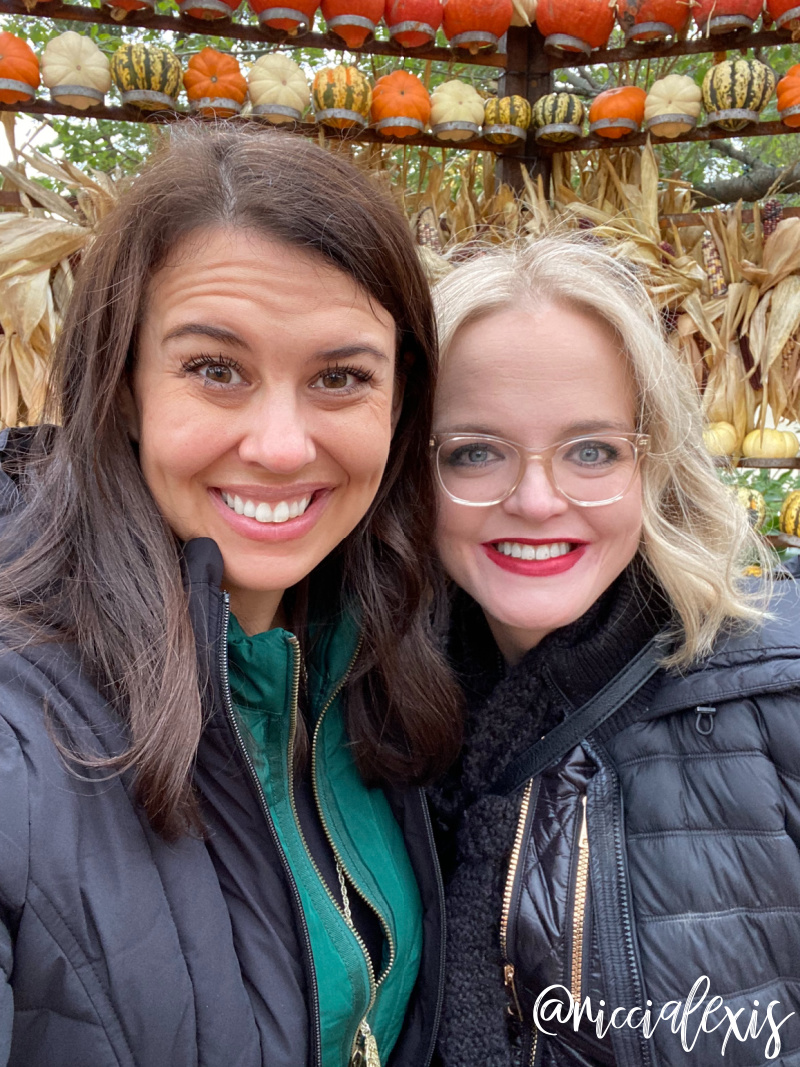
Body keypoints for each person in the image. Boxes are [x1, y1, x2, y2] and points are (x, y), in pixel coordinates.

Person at [0, 126, 461, 1067]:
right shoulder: (18, 733)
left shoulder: (389, 654)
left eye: (341, 377)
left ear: (400, 401)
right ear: (124, 386)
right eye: (216, 369)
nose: (281, 446)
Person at [428, 237, 800, 1067]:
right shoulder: (363, 727)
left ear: (652, 462)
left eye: (591, 450)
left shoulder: (778, 702)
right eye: (474, 452)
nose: (535, 499)